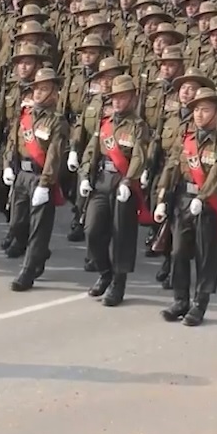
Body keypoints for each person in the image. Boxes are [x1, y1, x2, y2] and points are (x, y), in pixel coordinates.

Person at [154, 87, 217, 325]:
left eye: (205, 109)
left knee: (204, 255)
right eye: (196, 109)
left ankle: (200, 303)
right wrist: (161, 198)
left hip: (206, 205)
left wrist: (203, 197)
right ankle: (180, 300)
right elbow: (171, 168)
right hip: (182, 201)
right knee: (178, 252)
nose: (199, 114)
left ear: (216, 114)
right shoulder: (185, 139)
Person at [77, 73, 152, 306]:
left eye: (122, 97)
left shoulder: (138, 127)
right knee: (92, 230)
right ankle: (105, 272)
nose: (117, 102)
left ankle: (118, 284)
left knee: (122, 236)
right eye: (114, 98)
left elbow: (140, 156)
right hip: (102, 181)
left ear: (131, 99)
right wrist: (84, 175)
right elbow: (92, 151)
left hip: (122, 184)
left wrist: (129, 181)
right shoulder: (105, 124)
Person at [2, 66, 68, 291]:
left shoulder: (57, 122)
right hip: (21, 174)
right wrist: (7, 165)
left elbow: (54, 155)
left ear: (54, 94)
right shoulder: (25, 116)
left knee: (39, 228)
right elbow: (13, 141)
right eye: (36, 88)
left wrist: (45, 183)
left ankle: (28, 271)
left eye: (44, 89)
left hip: (40, 179)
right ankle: (38, 254)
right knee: (16, 223)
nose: (38, 93)